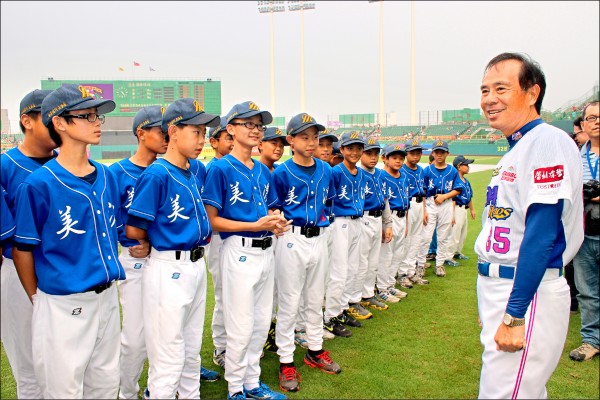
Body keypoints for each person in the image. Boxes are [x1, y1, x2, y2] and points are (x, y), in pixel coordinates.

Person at [475, 52, 583, 398]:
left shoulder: (546, 141)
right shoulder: (518, 147)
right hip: (506, 286)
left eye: (501, 88)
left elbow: (542, 234)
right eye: (484, 90)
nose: (489, 99)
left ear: (532, 93)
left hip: (528, 289)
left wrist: (514, 311)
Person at [13, 84, 125, 398]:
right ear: (60, 123)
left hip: (106, 299)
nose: (96, 122)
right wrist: (40, 300)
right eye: (86, 116)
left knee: (104, 387)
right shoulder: (38, 184)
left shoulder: (107, 176)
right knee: (64, 391)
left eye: (96, 116)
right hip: (63, 304)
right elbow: (23, 249)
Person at [125, 98, 219, 399]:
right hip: (168, 267)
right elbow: (134, 229)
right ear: (174, 131)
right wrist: (157, 240)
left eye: (204, 133)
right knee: (168, 359)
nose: (202, 139)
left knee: (191, 354)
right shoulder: (156, 174)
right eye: (196, 131)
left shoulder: (192, 171)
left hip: (194, 265)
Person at [202, 101, 289, 400]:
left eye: (259, 126)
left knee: (261, 321)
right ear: (231, 129)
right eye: (247, 124)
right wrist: (254, 225)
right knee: (240, 325)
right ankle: (235, 388)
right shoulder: (219, 168)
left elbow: (273, 204)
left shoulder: (263, 171)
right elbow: (212, 221)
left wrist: (276, 220)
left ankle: (252, 383)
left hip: (266, 249)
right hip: (238, 249)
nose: (255, 130)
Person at [271, 113, 341, 393]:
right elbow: (274, 207)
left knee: (315, 298)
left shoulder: (326, 169)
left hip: (319, 237)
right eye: (304, 136)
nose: (311, 142)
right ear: (291, 140)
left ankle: (314, 349)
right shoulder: (281, 172)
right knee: (289, 302)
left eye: (315, 137)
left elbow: (330, 201)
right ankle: (285, 360)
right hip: (292, 237)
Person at [109, 106, 167, 399]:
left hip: (168, 261)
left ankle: (158, 389)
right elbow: (107, 222)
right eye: (160, 130)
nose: (167, 135)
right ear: (141, 133)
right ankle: (127, 392)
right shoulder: (116, 173)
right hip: (135, 262)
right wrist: (129, 243)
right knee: (134, 338)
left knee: (167, 333)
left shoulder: (171, 169)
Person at [0, 89, 53, 399]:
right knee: (29, 368)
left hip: (63, 271)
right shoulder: (6, 167)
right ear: (27, 121)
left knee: (68, 364)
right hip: (17, 271)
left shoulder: (67, 165)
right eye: (50, 119)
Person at [323, 131, 366, 338]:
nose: (355, 152)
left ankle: (341, 309)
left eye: (358, 148)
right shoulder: (335, 172)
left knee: (352, 268)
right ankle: (330, 315)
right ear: (342, 150)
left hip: (357, 222)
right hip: (340, 222)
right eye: (350, 148)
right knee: (338, 271)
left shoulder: (361, 173)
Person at [570, 100, 599, 362]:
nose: (596, 121)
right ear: (584, 124)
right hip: (585, 232)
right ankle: (591, 340)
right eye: (591, 118)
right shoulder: (577, 156)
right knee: (587, 290)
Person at [205, 117, 233, 369]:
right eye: (228, 137)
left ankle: (235, 345)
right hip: (217, 239)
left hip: (238, 240)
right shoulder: (211, 169)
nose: (233, 142)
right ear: (214, 142)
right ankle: (221, 347)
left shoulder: (240, 167)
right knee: (224, 294)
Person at [417, 141, 463, 279]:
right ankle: (420, 265)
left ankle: (439, 264)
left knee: (443, 236)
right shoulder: (427, 170)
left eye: (442, 152)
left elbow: (458, 189)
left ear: (447, 153)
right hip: (430, 203)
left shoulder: (452, 171)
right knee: (425, 236)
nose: (439, 155)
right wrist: (424, 210)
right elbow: (423, 191)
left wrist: (445, 196)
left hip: (446, 202)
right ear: (433, 153)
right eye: (437, 152)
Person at [356, 138, 392, 311]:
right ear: (361, 153)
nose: (373, 157)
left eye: (376, 153)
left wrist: (388, 224)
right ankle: (355, 297)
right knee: (360, 261)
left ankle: (368, 293)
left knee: (373, 260)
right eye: (368, 153)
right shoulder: (356, 173)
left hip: (378, 219)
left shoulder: (379, 174)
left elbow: (385, 200)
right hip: (363, 218)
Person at [376, 144, 411, 302]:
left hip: (403, 216)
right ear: (385, 158)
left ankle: (390, 284)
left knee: (398, 252)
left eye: (401, 158)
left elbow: (406, 200)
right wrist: (386, 225)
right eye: (394, 157)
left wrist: (407, 223)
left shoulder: (403, 176)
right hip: (390, 217)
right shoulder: (381, 176)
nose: (398, 161)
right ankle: (382, 288)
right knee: (386, 254)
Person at [450, 155, 477, 260]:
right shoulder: (454, 181)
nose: (468, 167)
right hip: (456, 208)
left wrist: (472, 209)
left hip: (464, 209)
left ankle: (457, 251)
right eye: (466, 165)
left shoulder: (466, 181)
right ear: (459, 166)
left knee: (462, 233)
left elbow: (469, 196)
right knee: (454, 233)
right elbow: (452, 198)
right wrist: (452, 214)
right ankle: (448, 256)